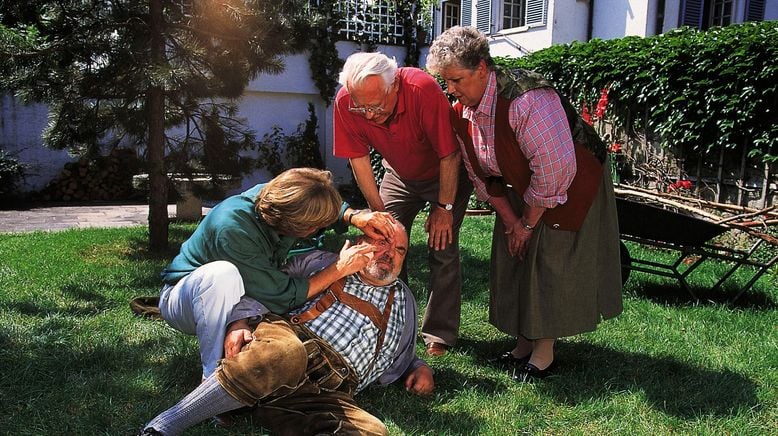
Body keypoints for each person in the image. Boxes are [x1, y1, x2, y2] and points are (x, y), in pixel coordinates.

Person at [426, 26, 623, 380]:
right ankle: (521, 345)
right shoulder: (461, 112)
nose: (450, 89)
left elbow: (554, 172)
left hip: (572, 182)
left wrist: (529, 224)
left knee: (548, 257)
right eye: (446, 81)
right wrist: (511, 221)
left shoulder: (528, 99)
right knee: (512, 254)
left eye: (456, 80)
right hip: (521, 182)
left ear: (483, 69)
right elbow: (479, 174)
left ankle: (544, 352)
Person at [141, 222, 434, 435]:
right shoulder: (320, 262)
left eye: (399, 249)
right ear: (360, 241)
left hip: (329, 389)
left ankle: (252, 402)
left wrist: (418, 367)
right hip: (291, 338)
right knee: (287, 354)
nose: (390, 254)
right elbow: (263, 286)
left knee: (372, 430)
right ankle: (166, 424)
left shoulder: (405, 300)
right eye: (382, 241)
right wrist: (240, 318)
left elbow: (402, 352)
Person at [158, 167, 397, 378]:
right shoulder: (233, 229)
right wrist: (339, 269)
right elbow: (280, 295)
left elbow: (314, 201)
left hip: (240, 290)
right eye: (316, 226)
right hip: (188, 300)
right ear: (290, 223)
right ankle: (214, 377)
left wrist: (354, 216)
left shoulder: (279, 195)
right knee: (222, 275)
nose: (320, 229)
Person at [333, 51, 473, 356]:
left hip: (443, 172)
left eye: (376, 105)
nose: (368, 115)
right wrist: (378, 212)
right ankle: (394, 321)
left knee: (442, 246)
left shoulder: (422, 89)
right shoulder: (346, 102)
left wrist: (444, 209)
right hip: (399, 172)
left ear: (394, 85)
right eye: (362, 107)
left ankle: (439, 334)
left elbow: (449, 155)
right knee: (383, 241)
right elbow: (358, 159)